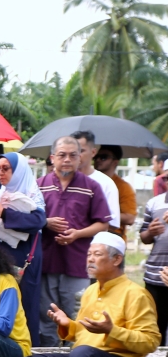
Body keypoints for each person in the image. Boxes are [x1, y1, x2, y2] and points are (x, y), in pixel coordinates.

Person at [23, 232, 160, 357]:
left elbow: (150, 342)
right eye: (88, 254)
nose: (90, 259)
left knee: (83, 354)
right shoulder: (90, 291)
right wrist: (68, 325)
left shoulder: (136, 294)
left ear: (117, 259)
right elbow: (85, 332)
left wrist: (112, 331)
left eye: (97, 254)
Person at [37, 136, 111, 346]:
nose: (67, 159)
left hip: (77, 262)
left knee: (78, 315)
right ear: (52, 158)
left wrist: (77, 234)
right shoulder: (39, 186)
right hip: (46, 261)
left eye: (72, 155)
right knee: (47, 317)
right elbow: (29, 219)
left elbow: (103, 224)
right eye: (62, 155)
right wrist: (46, 222)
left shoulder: (91, 187)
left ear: (80, 158)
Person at [0, 152, 47, 345]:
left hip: (25, 260)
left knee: (26, 304)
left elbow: (38, 221)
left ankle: (26, 352)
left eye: (6, 169)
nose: (0, 173)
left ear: (19, 171)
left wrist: (4, 213)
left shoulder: (31, 194)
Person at [71, 131, 120, 235]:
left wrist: (80, 233)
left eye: (81, 151)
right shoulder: (60, 181)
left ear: (93, 152)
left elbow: (111, 223)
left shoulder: (105, 183)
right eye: (72, 151)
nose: (76, 155)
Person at [140, 186, 168, 343]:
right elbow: (144, 237)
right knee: (155, 326)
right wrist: (150, 232)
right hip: (155, 275)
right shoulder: (154, 203)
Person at [94, 144, 136, 240]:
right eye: (96, 156)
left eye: (103, 157)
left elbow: (130, 218)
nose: (98, 160)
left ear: (115, 162)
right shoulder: (86, 181)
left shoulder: (124, 187)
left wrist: (101, 215)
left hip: (112, 237)